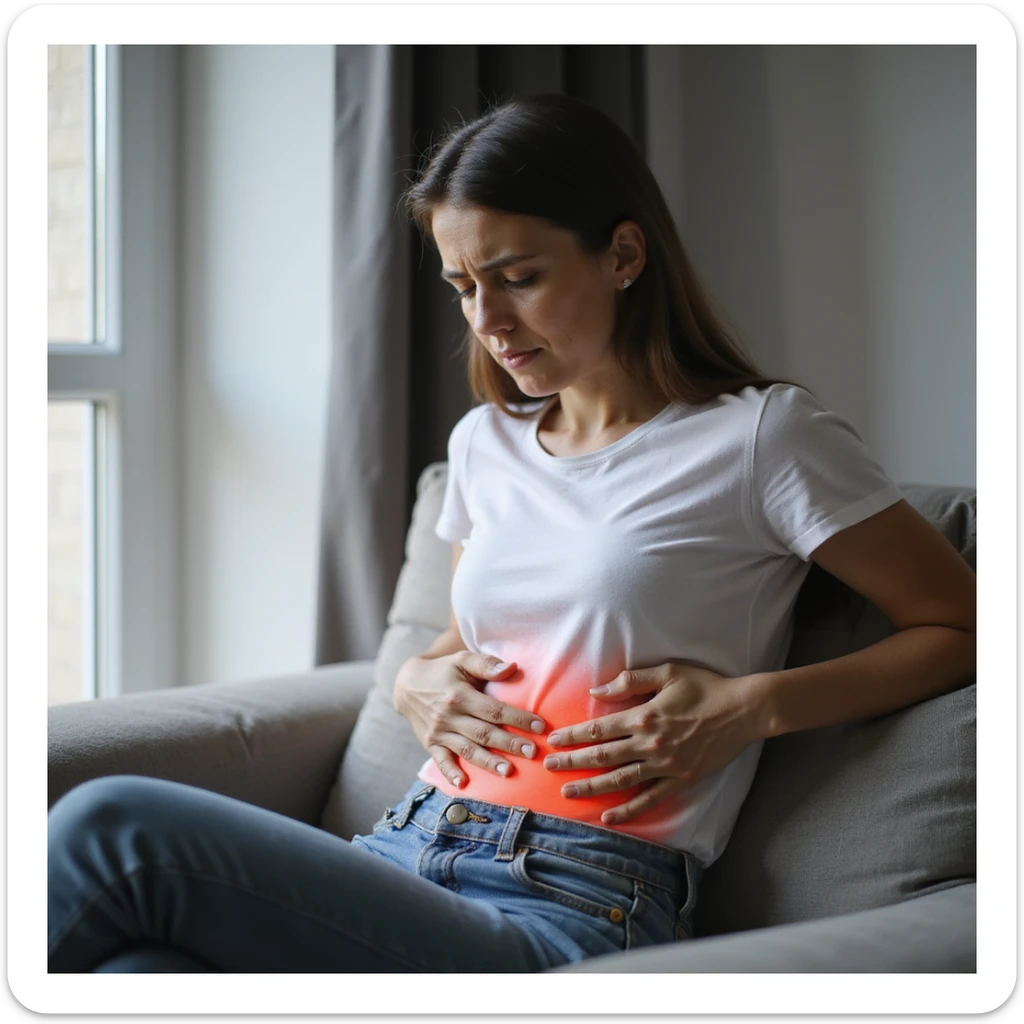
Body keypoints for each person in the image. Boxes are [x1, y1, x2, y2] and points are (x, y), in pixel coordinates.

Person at [47, 93, 976, 974]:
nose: (487, 322)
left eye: (518, 278)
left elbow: (965, 628)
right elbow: (481, 643)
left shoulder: (763, 437)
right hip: (402, 848)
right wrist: (416, 676)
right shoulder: (486, 444)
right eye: (462, 287)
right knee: (139, 967)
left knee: (111, 829)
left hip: (572, 897)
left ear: (622, 254)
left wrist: (751, 706)